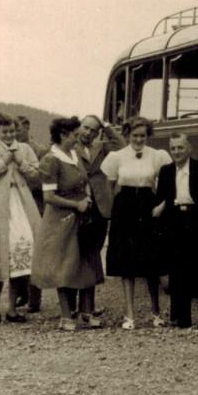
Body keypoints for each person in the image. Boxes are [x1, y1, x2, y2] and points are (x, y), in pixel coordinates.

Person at [31, 117, 104, 331]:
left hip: (83, 217)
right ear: (63, 135)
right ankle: (65, 316)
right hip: (61, 220)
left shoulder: (74, 154)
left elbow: (84, 182)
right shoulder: (51, 159)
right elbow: (49, 197)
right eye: (74, 134)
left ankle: (86, 312)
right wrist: (76, 204)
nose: (79, 136)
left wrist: (87, 198)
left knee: (88, 261)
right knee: (65, 265)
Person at [100, 116, 171, 329]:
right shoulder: (117, 157)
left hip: (148, 206)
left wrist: (161, 206)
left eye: (142, 135)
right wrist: (114, 212)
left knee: (151, 263)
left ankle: (156, 313)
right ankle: (129, 315)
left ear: (147, 135)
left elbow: (168, 184)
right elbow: (109, 186)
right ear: (127, 135)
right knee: (127, 263)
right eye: (134, 135)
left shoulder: (158, 156)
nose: (139, 139)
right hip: (125, 208)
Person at [0, 113, 41, 323]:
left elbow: (37, 176)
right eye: (5, 132)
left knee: (20, 256)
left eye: (13, 131)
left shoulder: (25, 149)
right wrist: (3, 162)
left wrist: (20, 162)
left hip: (22, 205)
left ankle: (12, 308)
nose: (10, 135)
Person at [155, 133, 198, 330]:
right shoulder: (166, 171)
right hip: (175, 222)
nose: (177, 152)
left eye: (180, 147)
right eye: (173, 148)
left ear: (189, 148)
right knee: (178, 273)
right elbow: (162, 199)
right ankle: (182, 318)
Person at [74, 114, 124, 324]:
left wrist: (107, 128)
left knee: (93, 255)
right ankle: (75, 306)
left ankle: (89, 306)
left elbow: (122, 146)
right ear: (79, 127)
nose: (88, 132)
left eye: (93, 130)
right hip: (78, 205)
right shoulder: (70, 146)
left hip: (101, 206)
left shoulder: (102, 146)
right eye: (85, 128)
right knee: (75, 255)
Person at [15, 115, 48, 314]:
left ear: (27, 127)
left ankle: (35, 298)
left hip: (36, 203)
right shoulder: (9, 149)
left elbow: (41, 181)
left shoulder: (40, 150)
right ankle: (21, 293)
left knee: (35, 250)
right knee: (18, 247)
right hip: (16, 203)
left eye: (18, 129)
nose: (15, 133)